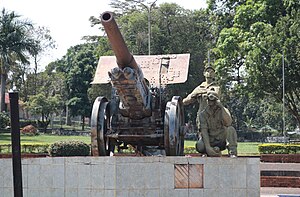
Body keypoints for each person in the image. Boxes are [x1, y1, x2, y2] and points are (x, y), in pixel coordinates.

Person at [195, 91, 238, 157]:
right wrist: (208, 147)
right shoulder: (203, 114)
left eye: (213, 100)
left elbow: (228, 122)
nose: (211, 103)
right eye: (209, 100)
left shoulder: (223, 111)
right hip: (211, 139)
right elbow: (204, 131)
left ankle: (232, 152)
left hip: (222, 139)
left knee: (231, 129)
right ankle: (208, 151)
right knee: (200, 145)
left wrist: (221, 107)